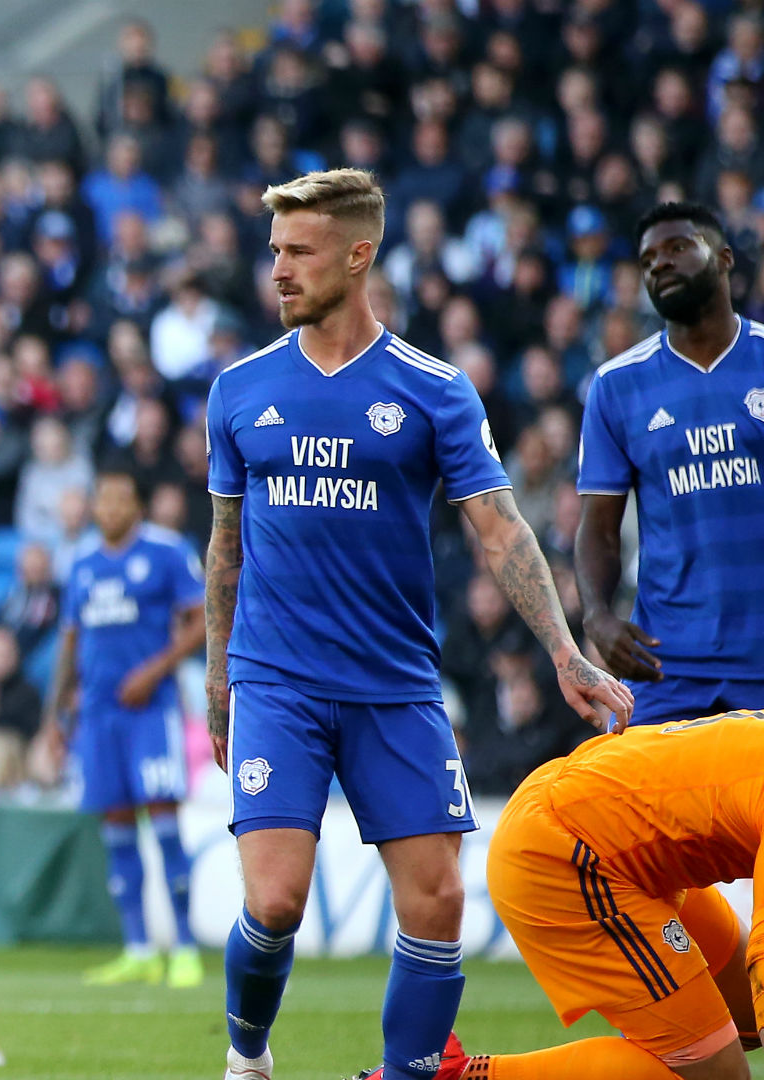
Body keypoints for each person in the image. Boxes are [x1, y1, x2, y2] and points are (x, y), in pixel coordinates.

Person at [202, 169, 631, 1080]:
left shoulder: (434, 391)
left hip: (396, 684)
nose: (278, 270)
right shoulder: (238, 391)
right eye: (275, 251)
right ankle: (247, 1059)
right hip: (275, 679)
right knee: (275, 902)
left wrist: (564, 650)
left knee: (437, 905)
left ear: (358, 257)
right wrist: (216, 677)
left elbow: (500, 528)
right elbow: (225, 547)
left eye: (299, 253)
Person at [438, 711, 764, 1080]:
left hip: (615, 837)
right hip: (563, 849)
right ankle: (451, 1076)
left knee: (744, 1019)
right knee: (718, 1075)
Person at [575, 202, 764, 729]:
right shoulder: (615, 385)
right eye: (648, 258)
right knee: (640, 809)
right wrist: (597, 615)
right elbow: (599, 529)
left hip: (761, 651)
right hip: (667, 663)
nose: (660, 262)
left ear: (724, 258)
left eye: (679, 247)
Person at [43, 470, 205, 989]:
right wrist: (55, 717)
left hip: (150, 712)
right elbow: (70, 641)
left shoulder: (166, 551)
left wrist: (154, 671)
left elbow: (203, 619)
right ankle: (137, 947)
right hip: (97, 715)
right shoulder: (84, 563)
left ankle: (183, 947)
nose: (110, 508)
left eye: (120, 499)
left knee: (163, 825)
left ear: (137, 505)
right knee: (115, 830)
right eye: (102, 500)